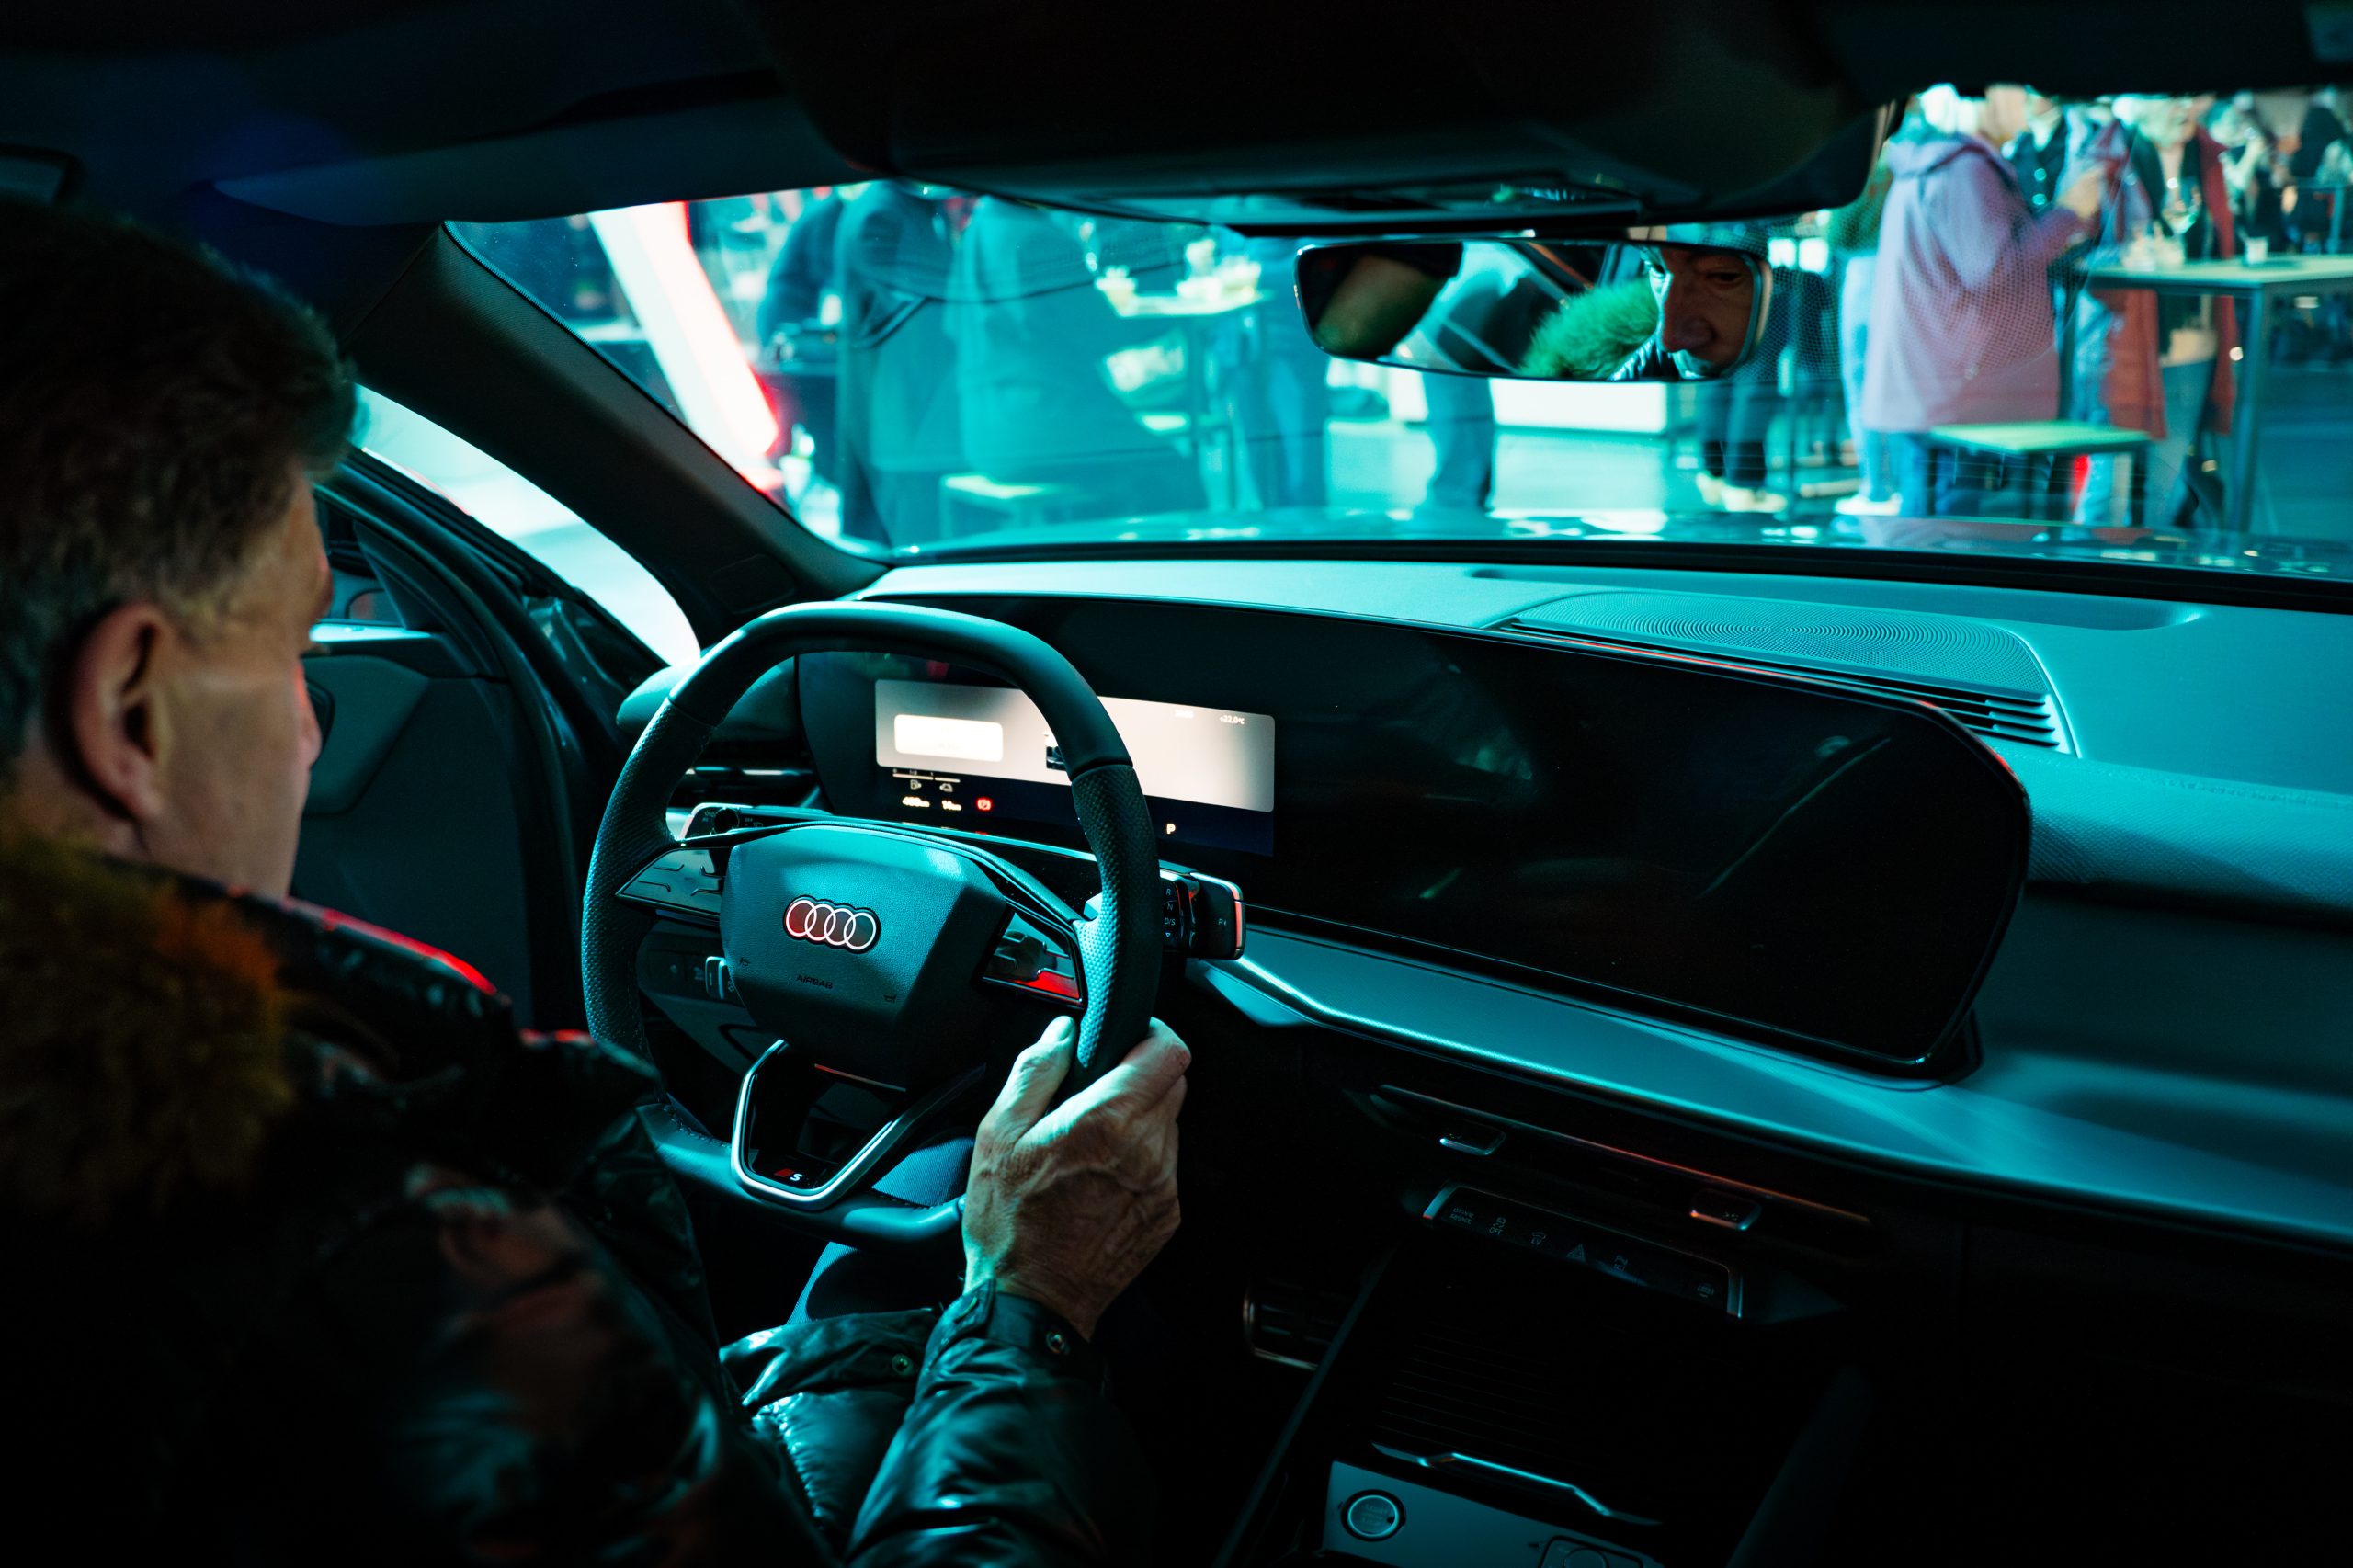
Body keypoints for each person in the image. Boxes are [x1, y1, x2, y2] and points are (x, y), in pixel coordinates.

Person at [0, 197, 1189, 1563]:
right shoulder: (388, 1287)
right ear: (131, 710)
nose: (312, 723)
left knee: (859, 1294)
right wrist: (1026, 1307)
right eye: (297, 645)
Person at [1864, 85, 2107, 517]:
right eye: (2017, 88)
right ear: (1987, 97)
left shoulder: (1939, 162)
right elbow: (1994, 269)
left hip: (1941, 381)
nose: (2029, 100)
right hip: (1964, 387)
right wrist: (2068, 211)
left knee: (1932, 515)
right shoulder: (1965, 172)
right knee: (1955, 527)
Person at [946, 198, 1207, 520]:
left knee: (1131, 466)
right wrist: (1177, 317)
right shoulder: (1037, 237)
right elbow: (1097, 332)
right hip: (1045, 425)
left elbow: (953, 325)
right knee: (1172, 471)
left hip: (984, 435)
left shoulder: (978, 229)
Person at [2069, 97, 2244, 527]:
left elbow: (2217, 244)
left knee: (2164, 485)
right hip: (2123, 344)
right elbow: (2068, 255)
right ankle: (2088, 580)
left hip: (2193, 346)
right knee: (2110, 485)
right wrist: (2123, 257)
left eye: (2190, 97)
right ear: (2136, 106)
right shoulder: (2102, 160)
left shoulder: (2208, 159)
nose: (2185, 108)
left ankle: (2144, 578)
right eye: (2171, 99)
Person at [833, 181, 969, 545]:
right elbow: (923, 312)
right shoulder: (882, 214)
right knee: (907, 516)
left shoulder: (894, 209)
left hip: (905, 390)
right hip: (901, 392)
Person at [755, 187, 845, 481]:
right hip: (789, 319)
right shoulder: (830, 212)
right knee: (799, 399)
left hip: (790, 316)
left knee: (793, 404)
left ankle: (786, 459)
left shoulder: (828, 210)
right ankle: (790, 461)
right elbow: (826, 270)